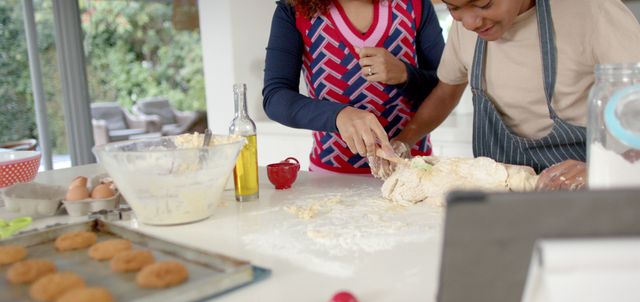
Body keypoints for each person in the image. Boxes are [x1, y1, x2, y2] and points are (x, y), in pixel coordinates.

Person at [376, 0, 640, 189]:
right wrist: (403, 141)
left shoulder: (592, 11)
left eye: (484, 4)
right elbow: (446, 91)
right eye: (455, 8)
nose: (469, 22)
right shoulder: (467, 29)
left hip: (583, 191)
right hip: (504, 199)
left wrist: (603, 170)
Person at [262, 0, 445, 174]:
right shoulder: (293, 10)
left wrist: (406, 75)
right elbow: (275, 97)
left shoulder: (416, 5)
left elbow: (446, 87)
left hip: (413, 171)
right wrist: (338, 115)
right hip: (331, 179)